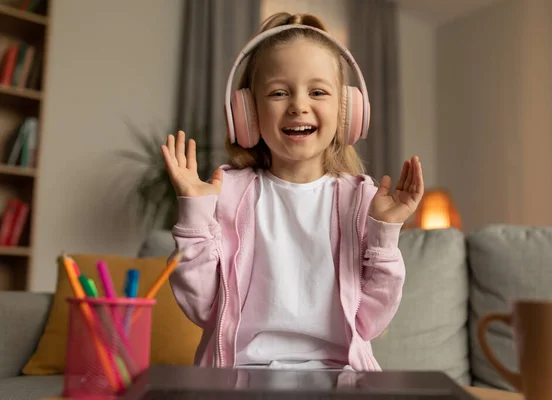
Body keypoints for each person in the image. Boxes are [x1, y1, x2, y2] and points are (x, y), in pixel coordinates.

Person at [161, 12, 424, 372]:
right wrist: (194, 214)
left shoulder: (362, 201)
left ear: (346, 113)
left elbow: (370, 324)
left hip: (339, 376)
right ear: (248, 113)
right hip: (241, 376)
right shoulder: (227, 194)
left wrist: (384, 235)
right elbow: (202, 309)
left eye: (317, 91)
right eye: (278, 92)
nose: (299, 105)